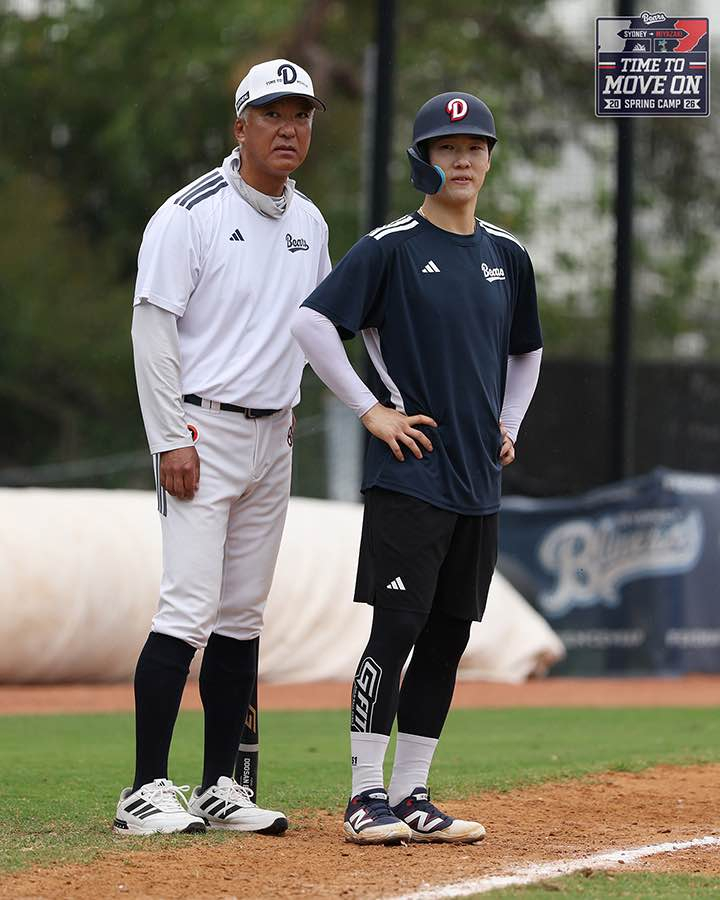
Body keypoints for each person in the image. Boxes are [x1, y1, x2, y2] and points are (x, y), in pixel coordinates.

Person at [291, 92, 543, 845]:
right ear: (423, 161)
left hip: (477, 480)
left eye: (475, 147)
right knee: (396, 630)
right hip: (411, 475)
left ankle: (412, 796)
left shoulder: (508, 254)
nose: (463, 159)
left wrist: (509, 424)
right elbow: (310, 323)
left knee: (448, 637)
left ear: (490, 159)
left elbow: (526, 349)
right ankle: (364, 795)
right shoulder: (391, 246)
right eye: (447, 148)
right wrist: (371, 409)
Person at [114, 59, 330, 836]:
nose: (289, 129)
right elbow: (152, 329)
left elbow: (313, 326)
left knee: (243, 615)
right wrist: (169, 435)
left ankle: (223, 786)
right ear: (240, 127)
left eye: (301, 115)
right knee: (188, 607)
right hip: (201, 431)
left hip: (276, 432)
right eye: (272, 114)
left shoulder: (311, 222)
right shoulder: (189, 213)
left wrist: (298, 402)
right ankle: (142, 790)